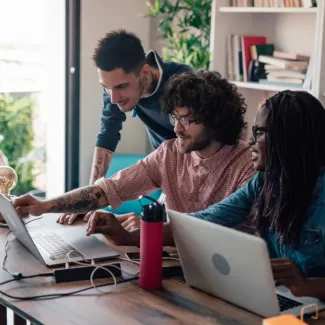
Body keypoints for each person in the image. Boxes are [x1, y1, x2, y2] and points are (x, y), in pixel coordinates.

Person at [14, 70, 255, 236]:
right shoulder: (169, 154)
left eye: (187, 119)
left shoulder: (247, 164)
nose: (176, 128)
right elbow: (108, 190)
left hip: (227, 278)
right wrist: (43, 206)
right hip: (174, 266)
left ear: (215, 119)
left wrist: (146, 230)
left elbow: (214, 230)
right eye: (174, 117)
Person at [60, 29, 192, 224]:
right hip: (169, 175)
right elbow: (108, 133)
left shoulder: (183, 82)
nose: (113, 98)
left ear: (145, 73)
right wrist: (90, 200)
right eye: (106, 87)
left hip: (196, 180)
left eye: (121, 87)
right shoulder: (115, 84)